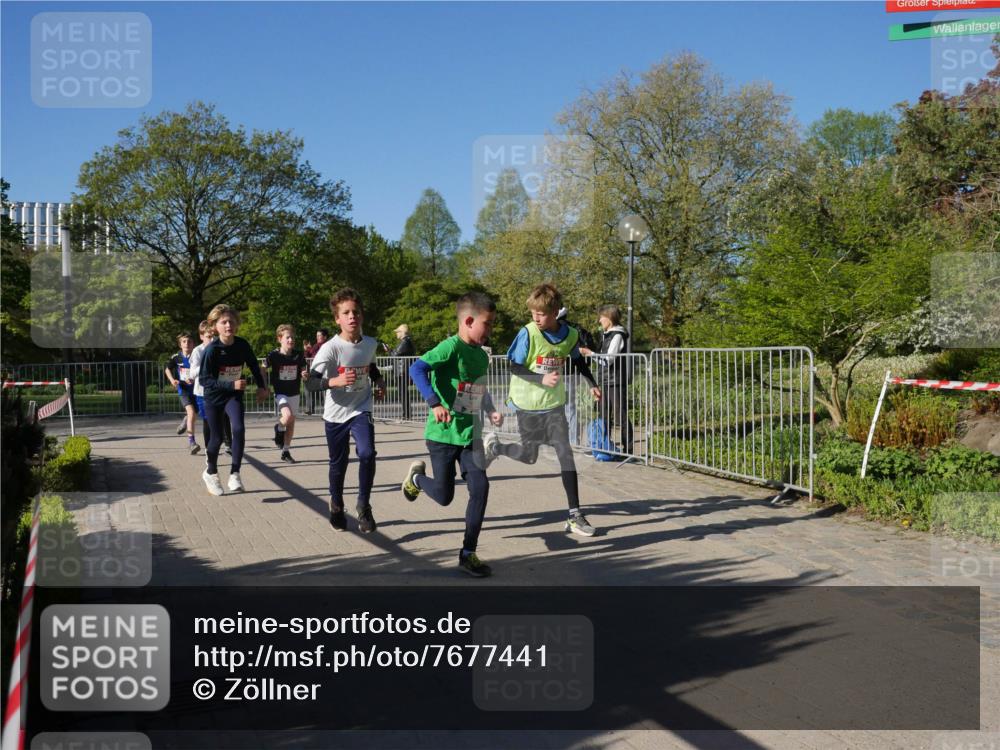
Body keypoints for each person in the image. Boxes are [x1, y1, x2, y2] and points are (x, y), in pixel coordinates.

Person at [483, 283, 602, 537]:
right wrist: (541, 379)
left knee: (565, 453)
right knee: (529, 456)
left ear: (556, 311)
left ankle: (574, 515)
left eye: (542, 314)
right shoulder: (528, 333)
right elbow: (513, 367)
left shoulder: (570, 334)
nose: (536, 318)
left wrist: (592, 383)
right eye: (533, 313)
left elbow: (578, 361)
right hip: (527, 404)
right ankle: (496, 448)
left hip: (553, 405)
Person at [402, 293, 503, 577]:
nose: (491, 330)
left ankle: (468, 552)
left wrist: (492, 410)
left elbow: (478, 389)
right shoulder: (450, 347)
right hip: (443, 436)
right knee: (445, 496)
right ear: (469, 321)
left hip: (470, 435)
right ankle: (417, 479)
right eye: (488, 324)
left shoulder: (481, 356)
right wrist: (434, 403)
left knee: (480, 488)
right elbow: (417, 368)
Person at [306, 289, 386, 534]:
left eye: (356, 312)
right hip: (336, 414)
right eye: (346, 313)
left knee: (367, 453)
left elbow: (370, 367)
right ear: (337, 319)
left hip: (361, 409)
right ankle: (337, 504)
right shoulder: (330, 348)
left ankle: (363, 506)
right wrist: (334, 382)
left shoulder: (370, 343)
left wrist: (380, 382)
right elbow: (310, 382)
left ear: (362, 316)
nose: (352, 317)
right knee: (338, 464)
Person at [198, 305, 268, 496]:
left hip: (233, 396)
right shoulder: (212, 350)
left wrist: (262, 386)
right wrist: (231, 385)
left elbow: (254, 365)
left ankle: (235, 474)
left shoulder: (242, 345)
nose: (229, 325)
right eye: (224, 322)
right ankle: (210, 472)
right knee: (217, 438)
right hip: (213, 398)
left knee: (238, 429)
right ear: (215, 326)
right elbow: (204, 380)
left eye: (231, 321)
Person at [580, 304, 633, 457]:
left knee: (619, 415)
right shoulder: (607, 334)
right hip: (605, 380)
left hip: (615, 380)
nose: (599, 320)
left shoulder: (617, 335)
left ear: (609, 318)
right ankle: (603, 446)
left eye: (601, 317)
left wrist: (589, 353)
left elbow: (609, 359)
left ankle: (628, 451)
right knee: (604, 415)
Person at [265, 324, 309, 463]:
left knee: (291, 423)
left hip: (294, 392)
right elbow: (262, 369)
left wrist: (305, 374)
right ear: (280, 339)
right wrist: (264, 386)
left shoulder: (298, 354)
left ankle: (286, 451)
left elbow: (304, 370)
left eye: (292, 337)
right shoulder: (273, 355)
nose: (291, 340)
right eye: (287, 337)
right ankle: (278, 427)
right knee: (287, 416)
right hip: (280, 392)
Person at [556, 307, 597, 444]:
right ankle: (572, 439)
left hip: (566, 373)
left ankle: (571, 439)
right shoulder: (576, 328)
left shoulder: (565, 329)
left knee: (567, 408)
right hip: (571, 373)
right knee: (569, 408)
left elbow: (578, 352)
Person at [165, 333, 200, 455]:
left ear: (193, 344)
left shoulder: (197, 356)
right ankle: (192, 442)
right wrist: (172, 380)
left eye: (189, 341)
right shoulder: (176, 357)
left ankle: (185, 420)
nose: (187, 344)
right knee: (191, 413)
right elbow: (167, 368)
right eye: (184, 342)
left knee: (193, 415)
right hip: (183, 389)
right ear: (180, 344)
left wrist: (195, 378)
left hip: (196, 389)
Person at [391, 324, 417, 420]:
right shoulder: (406, 341)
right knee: (403, 393)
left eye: (398, 332)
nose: (396, 334)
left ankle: (406, 415)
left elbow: (394, 355)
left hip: (403, 371)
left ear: (402, 332)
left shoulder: (405, 342)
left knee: (403, 393)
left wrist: (389, 350)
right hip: (403, 371)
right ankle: (406, 414)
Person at [304, 329, 330, 415]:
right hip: (314, 371)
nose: (317, 337)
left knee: (325, 390)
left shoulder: (327, 346)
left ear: (325, 337)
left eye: (319, 335)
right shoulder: (315, 346)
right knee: (308, 386)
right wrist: (306, 350)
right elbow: (307, 358)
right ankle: (310, 409)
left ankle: (327, 411)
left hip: (324, 372)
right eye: (317, 335)